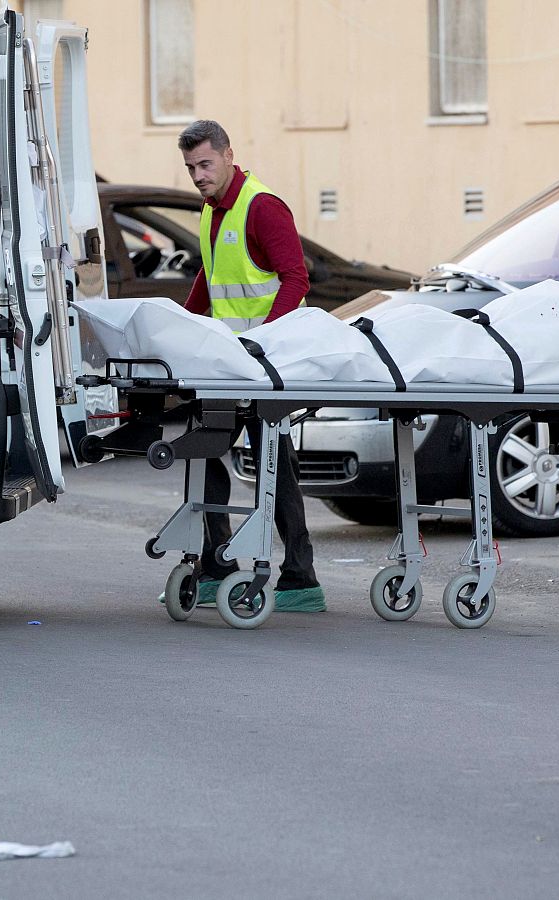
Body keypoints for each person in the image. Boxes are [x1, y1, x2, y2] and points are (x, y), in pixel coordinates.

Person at [169, 119, 322, 613]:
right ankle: (217, 566)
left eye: (205, 164)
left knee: (277, 470)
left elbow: (295, 279)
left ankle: (300, 579)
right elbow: (210, 282)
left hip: (263, 366)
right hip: (224, 367)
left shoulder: (263, 208)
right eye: (191, 167)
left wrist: (263, 343)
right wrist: (176, 327)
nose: (197, 175)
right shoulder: (211, 210)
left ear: (229, 155)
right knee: (204, 456)